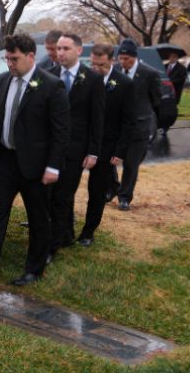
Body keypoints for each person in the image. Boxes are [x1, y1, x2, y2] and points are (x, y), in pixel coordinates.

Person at [0, 34, 69, 286]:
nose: (10, 64)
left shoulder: (51, 85)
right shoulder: (2, 80)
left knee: (38, 218)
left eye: (15, 59)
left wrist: (53, 166)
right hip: (4, 162)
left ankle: (34, 269)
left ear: (31, 56)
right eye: (7, 59)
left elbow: (61, 131)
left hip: (36, 165)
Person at [47, 33, 105, 256]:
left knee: (62, 196)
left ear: (79, 50)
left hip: (76, 149)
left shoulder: (92, 79)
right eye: (58, 49)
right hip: (51, 147)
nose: (60, 53)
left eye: (66, 49)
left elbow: (97, 118)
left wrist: (93, 151)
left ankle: (52, 246)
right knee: (51, 194)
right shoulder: (49, 75)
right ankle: (65, 234)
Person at [77, 44, 136, 247]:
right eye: (93, 63)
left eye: (101, 65)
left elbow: (128, 121)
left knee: (96, 191)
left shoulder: (124, 84)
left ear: (112, 61)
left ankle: (88, 231)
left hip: (107, 145)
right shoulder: (83, 78)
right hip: (81, 142)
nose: (96, 68)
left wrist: (120, 151)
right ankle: (65, 227)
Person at [111, 38, 160, 211]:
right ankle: (112, 188)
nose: (123, 62)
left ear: (135, 57)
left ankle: (124, 197)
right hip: (117, 126)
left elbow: (156, 100)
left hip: (139, 127)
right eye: (121, 58)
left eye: (127, 59)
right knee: (109, 160)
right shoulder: (115, 71)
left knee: (131, 164)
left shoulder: (149, 74)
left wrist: (147, 118)